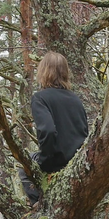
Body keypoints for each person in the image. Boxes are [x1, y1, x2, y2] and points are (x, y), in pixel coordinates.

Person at [19, 51, 90, 204]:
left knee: (23, 163)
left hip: (56, 161)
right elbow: (85, 132)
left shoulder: (40, 98)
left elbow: (47, 131)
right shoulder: (76, 99)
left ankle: (39, 205)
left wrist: (44, 161)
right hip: (78, 161)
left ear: (43, 72)